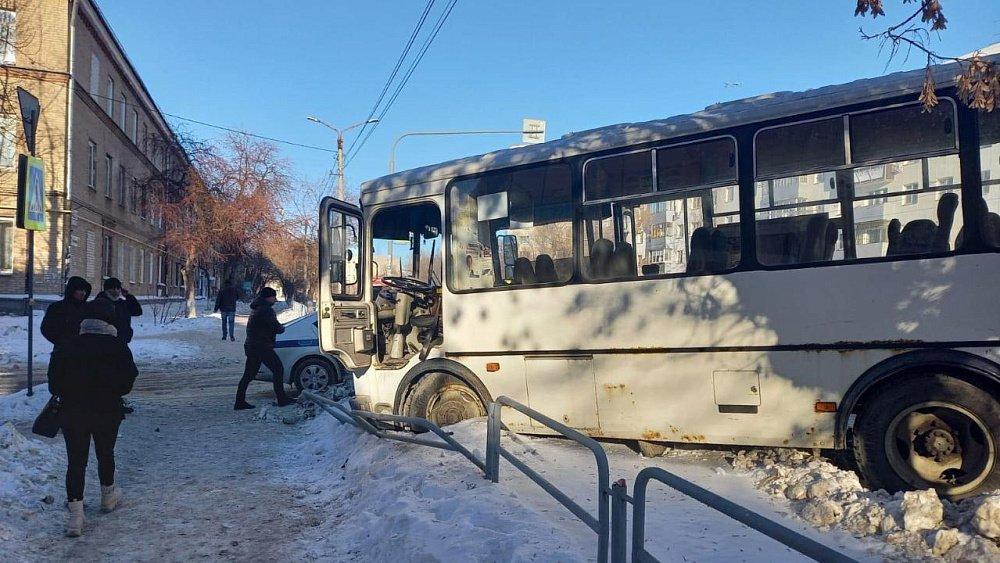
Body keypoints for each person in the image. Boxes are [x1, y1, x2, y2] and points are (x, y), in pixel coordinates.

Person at [48, 297, 138, 537]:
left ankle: (76, 515)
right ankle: (108, 496)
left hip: (73, 411)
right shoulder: (117, 346)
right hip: (106, 410)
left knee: (76, 461)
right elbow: (128, 379)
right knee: (105, 453)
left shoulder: (68, 344)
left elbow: (54, 381)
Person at [234, 287, 293, 410]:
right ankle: (282, 399)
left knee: (248, 375)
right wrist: (281, 328)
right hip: (262, 346)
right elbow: (276, 327)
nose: (275, 300)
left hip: (253, 346)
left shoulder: (257, 308)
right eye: (273, 297)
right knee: (278, 369)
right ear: (268, 297)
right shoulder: (266, 310)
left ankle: (239, 401)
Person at [40, 277, 92, 388]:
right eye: (79, 290)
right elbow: (46, 328)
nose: (83, 293)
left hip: (85, 355)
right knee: (60, 384)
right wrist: (62, 341)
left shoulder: (89, 309)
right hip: (63, 354)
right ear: (72, 290)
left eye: (84, 290)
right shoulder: (57, 308)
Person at [95, 277, 142, 344]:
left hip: (122, 342)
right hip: (104, 344)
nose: (116, 291)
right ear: (106, 290)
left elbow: (137, 311)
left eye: (118, 288)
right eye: (113, 288)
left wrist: (128, 296)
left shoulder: (122, 304)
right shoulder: (99, 303)